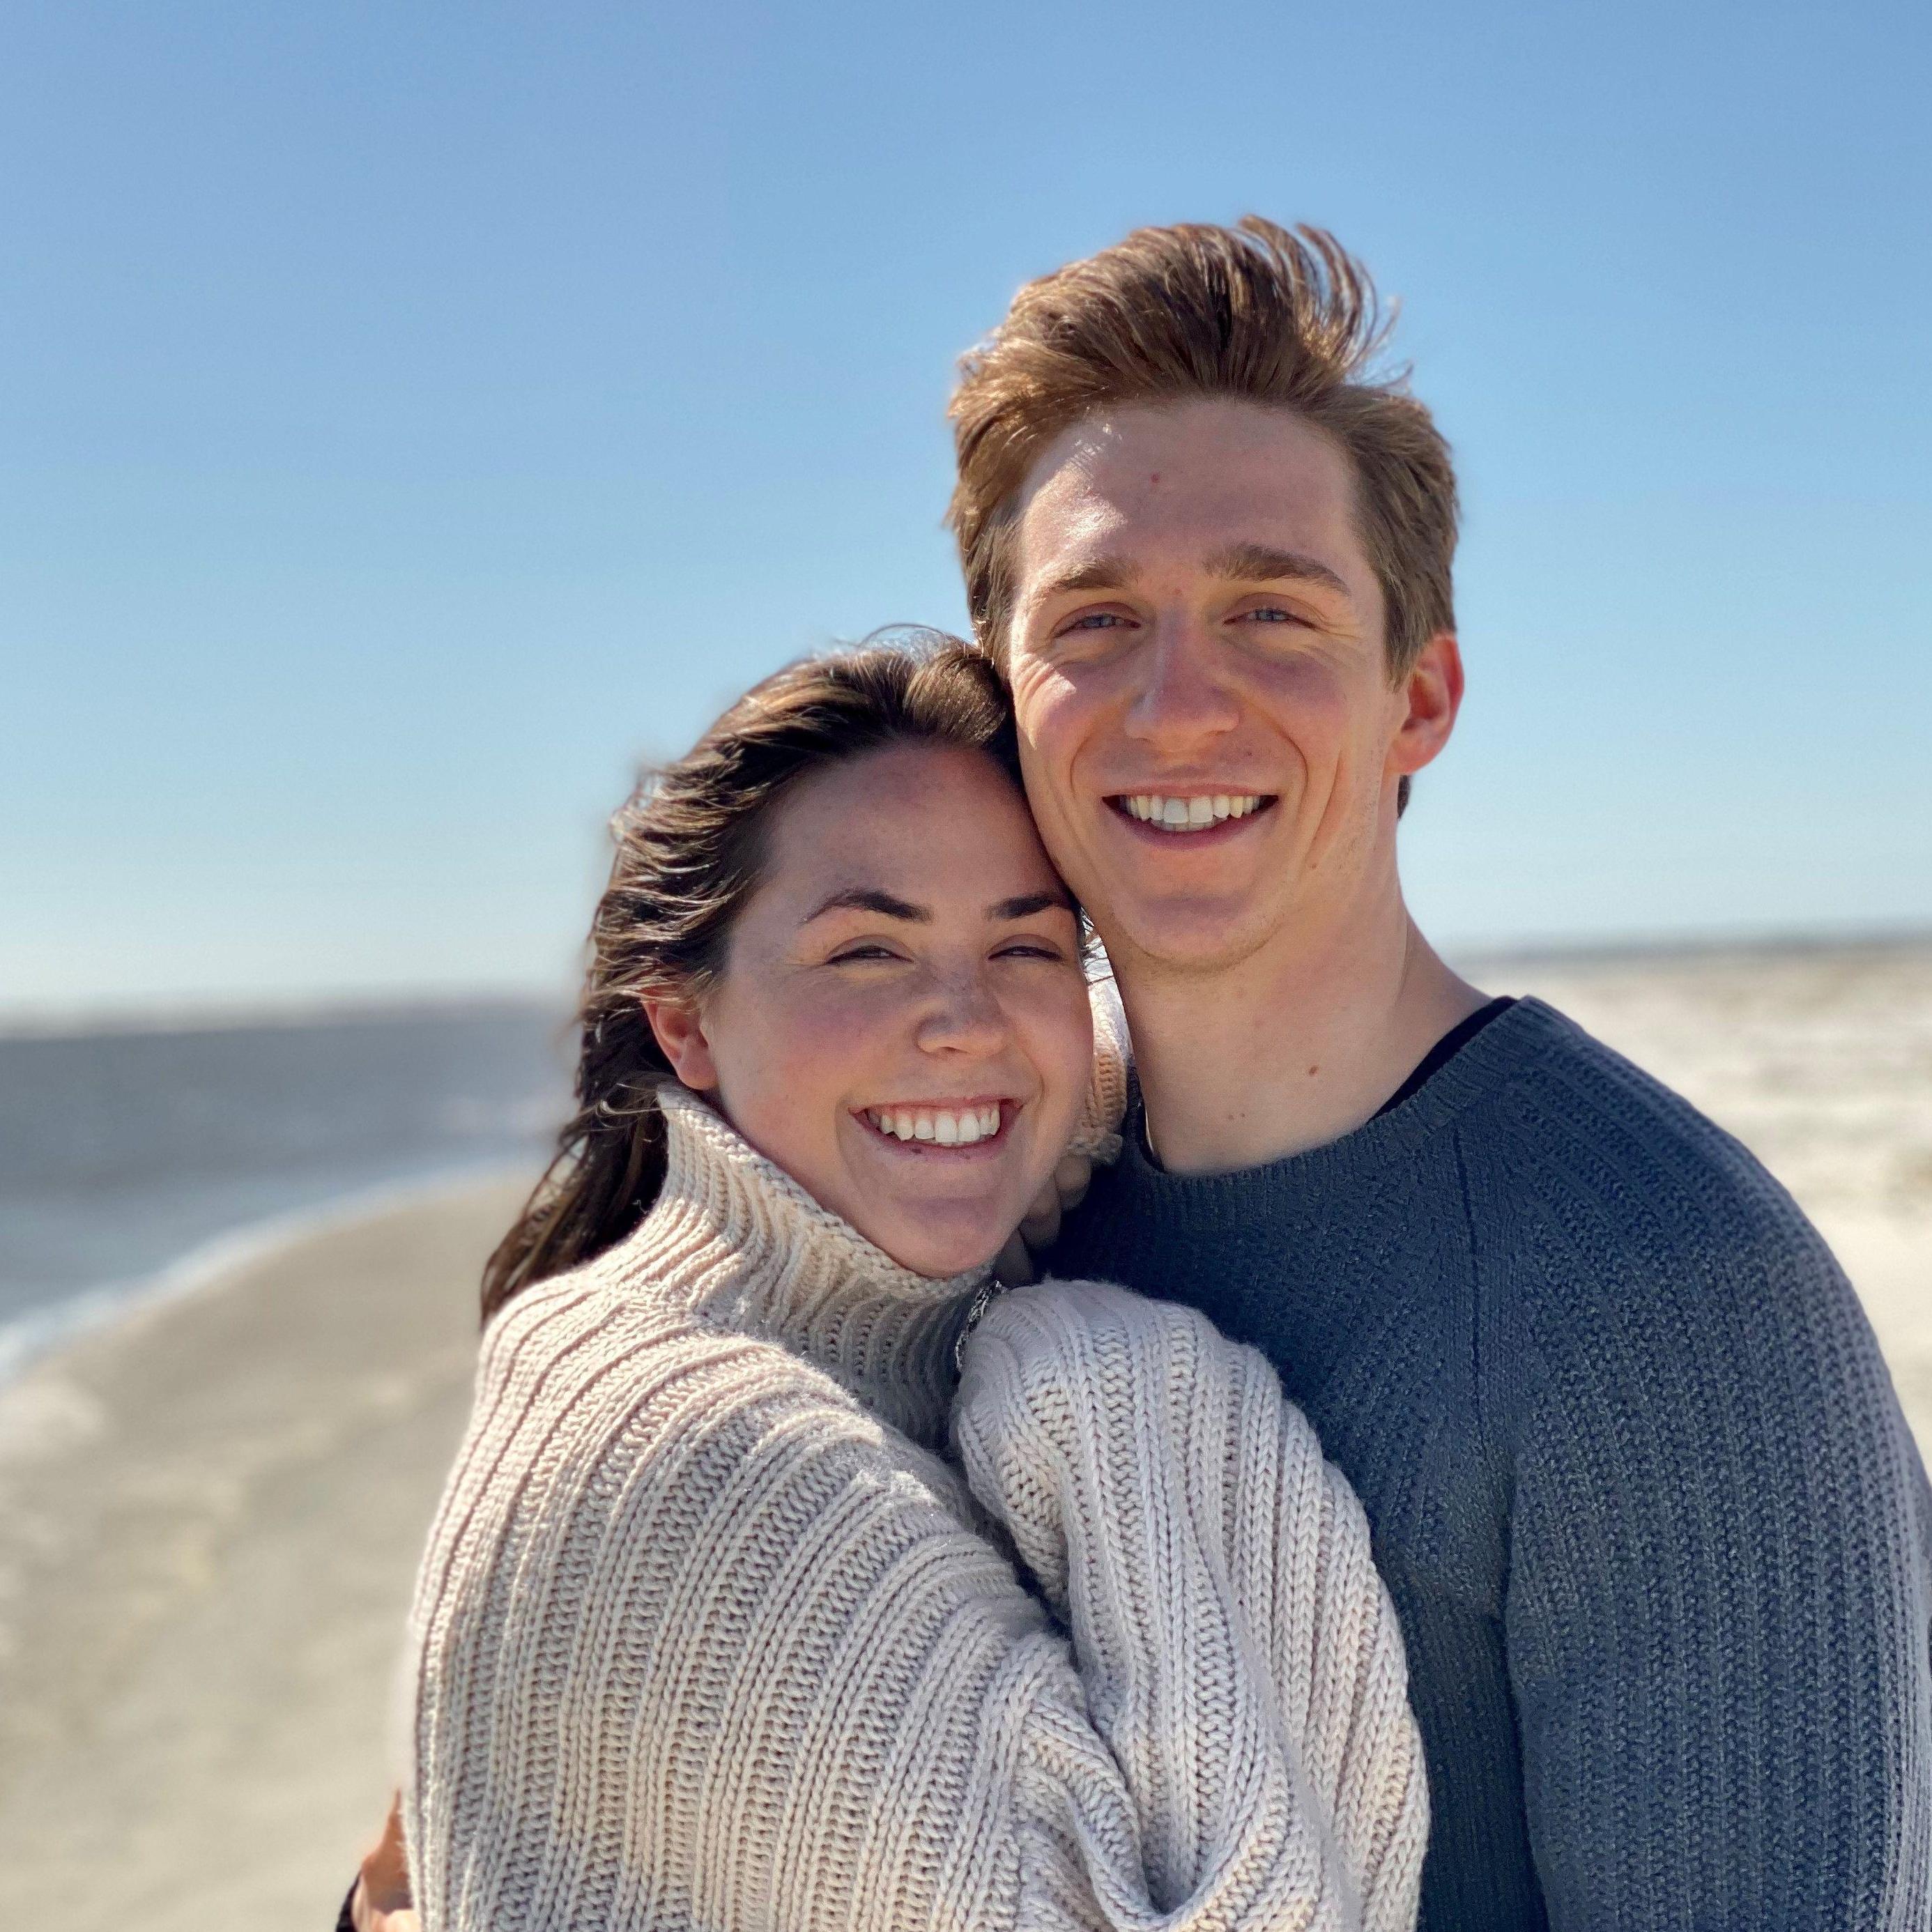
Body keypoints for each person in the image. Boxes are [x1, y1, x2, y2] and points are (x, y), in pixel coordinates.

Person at [948, 217, 1932, 1927]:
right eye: (1097, 620)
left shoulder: (1668, 1294)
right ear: (1006, 696)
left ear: (1421, 700)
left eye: (1273, 611)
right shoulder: (995, 1212)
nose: (1178, 704)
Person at [381, 641, 1428, 1931]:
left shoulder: (810, 1331)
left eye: (1027, 950)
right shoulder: (694, 1434)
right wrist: (1128, 1397)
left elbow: (1100, 1069)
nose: (966, 1024)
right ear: (686, 1024)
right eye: (868, 954)